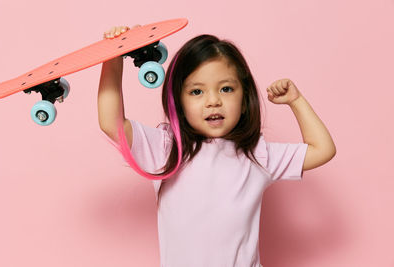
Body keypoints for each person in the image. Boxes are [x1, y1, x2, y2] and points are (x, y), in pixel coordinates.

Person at [98, 25, 336, 267]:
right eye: (197, 91)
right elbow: (111, 122)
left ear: (245, 100)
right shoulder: (166, 148)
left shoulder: (257, 155)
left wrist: (296, 101)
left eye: (226, 89)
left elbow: (322, 149)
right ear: (178, 103)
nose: (213, 101)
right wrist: (115, 57)